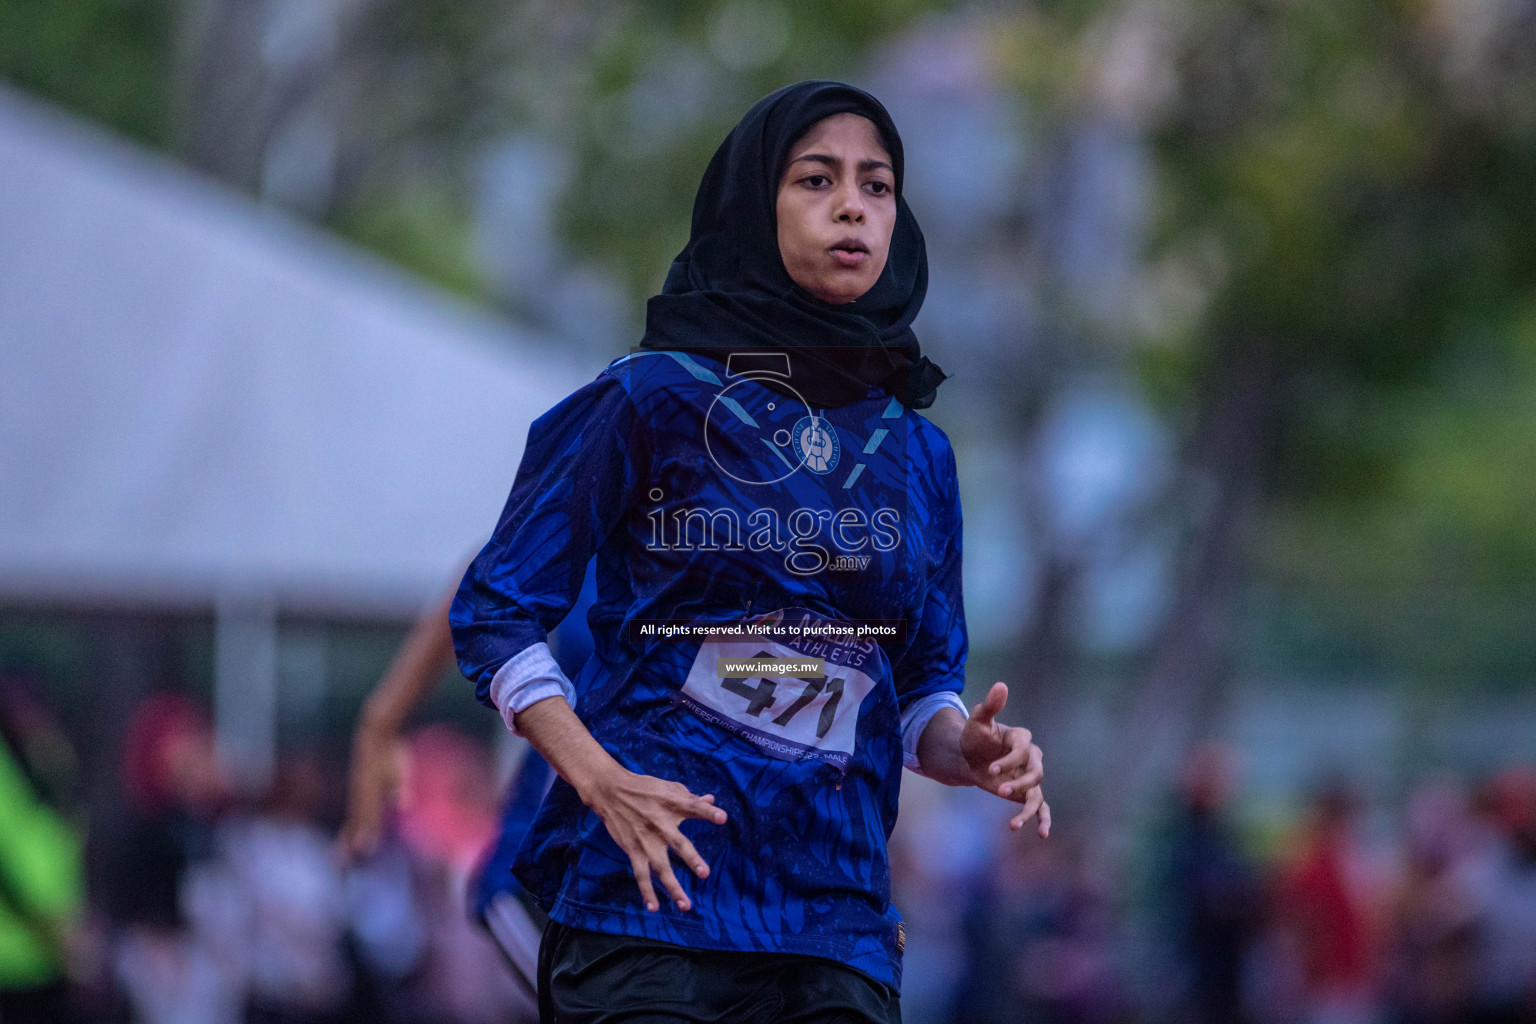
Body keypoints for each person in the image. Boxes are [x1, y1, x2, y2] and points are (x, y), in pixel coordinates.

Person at [451, 80, 1051, 1023]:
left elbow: (919, 687)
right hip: (651, 905)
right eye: (817, 180)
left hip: (834, 921)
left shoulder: (918, 452)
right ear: (751, 207)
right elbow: (496, 611)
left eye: (877, 186)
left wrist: (964, 746)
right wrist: (597, 778)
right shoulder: (650, 398)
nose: (853, 205)